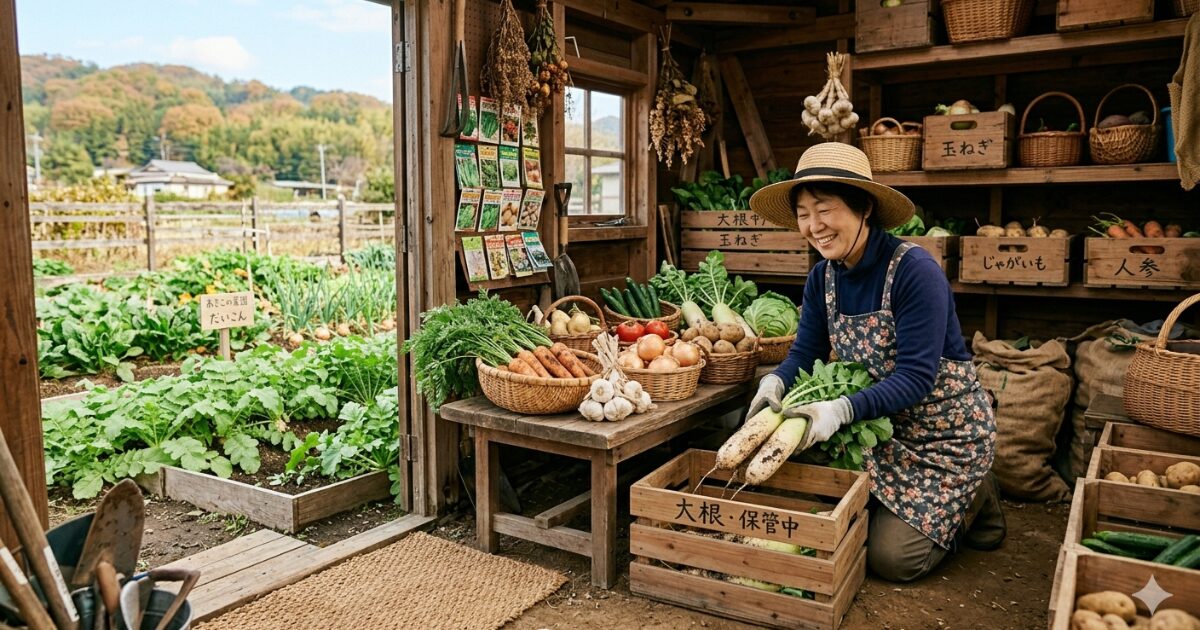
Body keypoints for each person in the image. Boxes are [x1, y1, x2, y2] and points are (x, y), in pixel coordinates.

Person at [745, 142, 1005, 583]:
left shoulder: (914, 271)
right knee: (815, 498)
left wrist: (840, 410)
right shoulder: (822, 277)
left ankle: (977, 490)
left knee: (891, 559)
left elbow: (916, 378)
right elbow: (805, 354)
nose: (813, 226)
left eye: (824, 209)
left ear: (864, 207)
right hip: (878, 432)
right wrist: (773, 383)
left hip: (942, 439)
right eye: (803, 214)